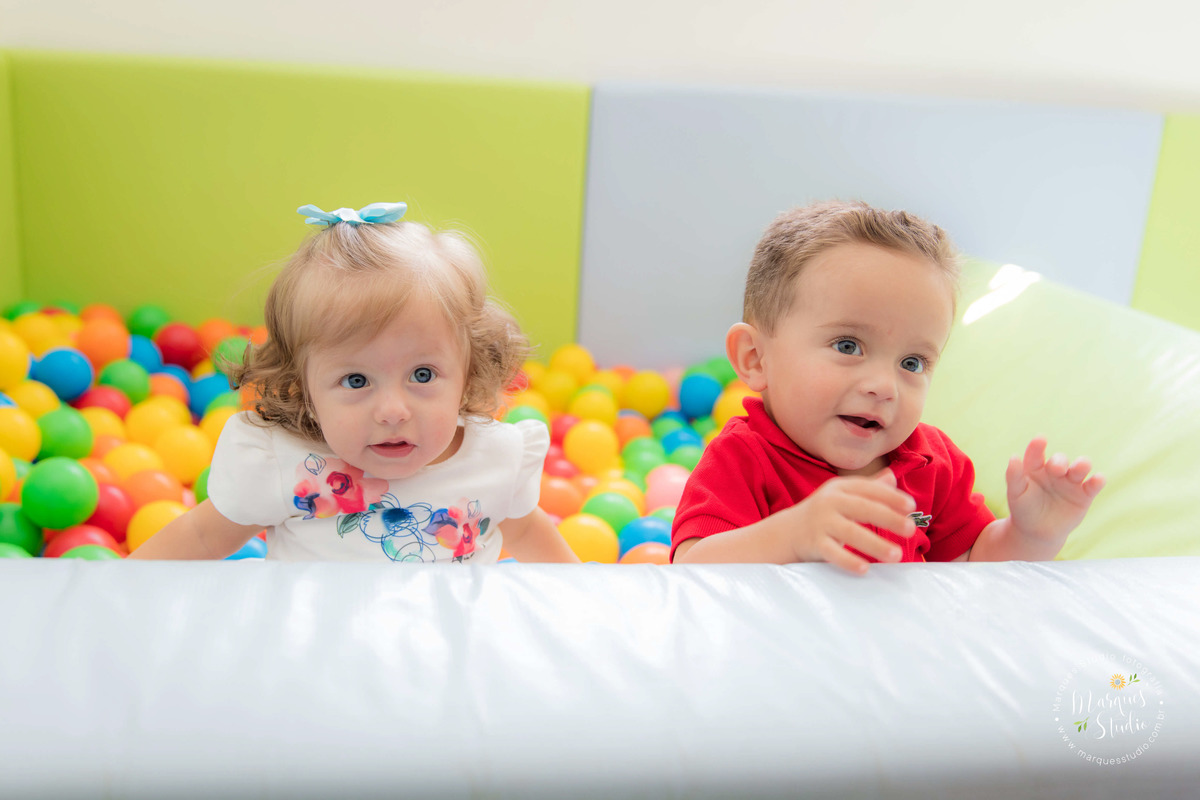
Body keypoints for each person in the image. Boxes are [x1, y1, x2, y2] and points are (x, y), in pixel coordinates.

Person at [131, 202, 579, 564]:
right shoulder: (286, 466)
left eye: (422, 375)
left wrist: (590, 603)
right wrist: (106, 593)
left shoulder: (494, 459)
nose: (392, 410)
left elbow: (526, 530)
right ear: (303, 392)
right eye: (356, 380)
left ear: (467, 374)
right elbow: (204, 537)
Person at [671, 200, 1104, 574]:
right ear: (755, 358)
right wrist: (792, 535)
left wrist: (1030, 536)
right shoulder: (743, 460)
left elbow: (972, 571)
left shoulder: (933, 465)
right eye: (848, 345)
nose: (883, 386)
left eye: (912, 363)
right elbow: (691, 573)